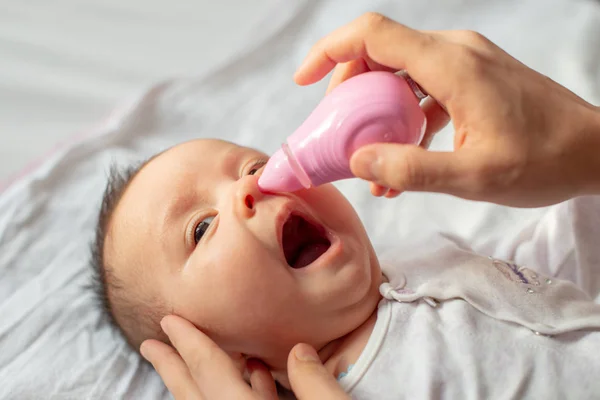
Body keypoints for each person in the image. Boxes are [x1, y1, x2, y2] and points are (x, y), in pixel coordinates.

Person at [93, 12, 600, 400]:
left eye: (252, 166)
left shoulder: (420, 255)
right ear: (226, 357)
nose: (250, 188)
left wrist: (583, 162)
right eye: (201, 228)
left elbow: (541, 276)